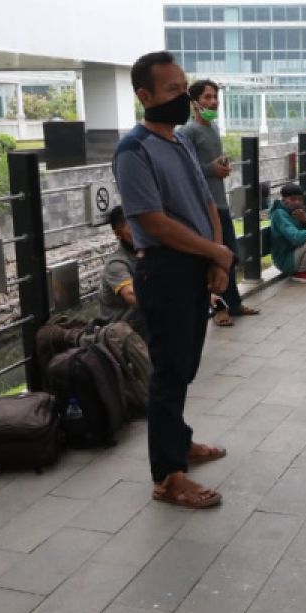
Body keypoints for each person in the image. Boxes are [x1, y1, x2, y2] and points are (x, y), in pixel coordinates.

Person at [113, 50, 231, 510]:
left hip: (197, 263)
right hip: (164, 270)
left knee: (185, 366)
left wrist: (218, 257)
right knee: (168, 373)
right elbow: (152, 221)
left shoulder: (180, 141)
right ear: (144, 96)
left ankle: (179, 442)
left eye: (184, 87)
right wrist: (216, 252)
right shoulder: (133, 150)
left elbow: (207, 205)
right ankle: (167, 475)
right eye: (172, 90)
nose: (183, 96)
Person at [179, 79, 259, 328]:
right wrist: (211, 169)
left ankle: (233, 303)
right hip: (204, 207)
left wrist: (220, 165)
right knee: (212, 258)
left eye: (215, 97)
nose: (213, 102)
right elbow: (185, 171)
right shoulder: (187, 132)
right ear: (194, 102)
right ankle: (218, 308)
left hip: (220, 204)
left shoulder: (212, 128)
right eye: (207, 97)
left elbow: (209, 166)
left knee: (228, 255)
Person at [97, 206, 148, 338]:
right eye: (132, 228)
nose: (139, 231)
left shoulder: (149, 252)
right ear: (118, 234)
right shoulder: (116, 264)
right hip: (118, 332)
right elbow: (132, 296)